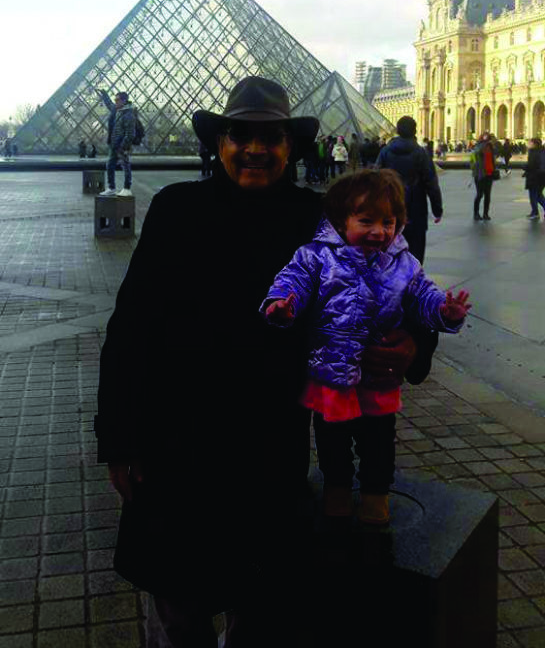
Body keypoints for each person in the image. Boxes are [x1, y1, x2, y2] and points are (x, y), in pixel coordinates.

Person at [95, 76, 437, 648]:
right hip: (176, 445)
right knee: (178, 613)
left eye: (271, 137)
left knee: (260, 610)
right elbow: (131, 328)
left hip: (268, 448)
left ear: (290, 146)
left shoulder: (317, 221)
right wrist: (119, 439)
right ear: (220, 143)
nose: (255, 148)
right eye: (240, 134)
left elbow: (393, 289)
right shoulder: (175, 209)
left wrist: (416, 345)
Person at [262, 169, 469, 527]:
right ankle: (337, 488)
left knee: (379, 443)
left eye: (388, 222)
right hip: (332, 374)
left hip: (376, 376)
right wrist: (282, 304)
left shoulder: (404, 263)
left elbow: (424, 297)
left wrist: (444, 313)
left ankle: (376, 493)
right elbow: (292, 280)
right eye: (366, 221)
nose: (379, 231)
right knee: (332, 441)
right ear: (342, 222)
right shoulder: (316, 256)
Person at [376, 116, 442, 264]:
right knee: (416, 252)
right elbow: (431, 183)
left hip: (390, 208)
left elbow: (376, 180)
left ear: (397, 130)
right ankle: (413, 281)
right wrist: (437, 209)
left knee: (389, 250)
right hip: (416, 208)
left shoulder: (385, 152)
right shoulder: (421, 153)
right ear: (415, 130)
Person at [97, 90, 137, 197]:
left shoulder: (129, 114)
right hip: (114, 143)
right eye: (115, 100)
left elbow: (130, 133)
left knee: (125, 166)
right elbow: (109, 104)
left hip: (121, 145)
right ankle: (111, 188)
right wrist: (104, 95)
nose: (115, 102)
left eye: (117, 100)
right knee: (110, 165)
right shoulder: (117, 109)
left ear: (124, 100)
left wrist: (123, 146)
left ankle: (127, 188)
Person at [470, 131, 497, 221]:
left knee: (487, 195)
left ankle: (485, 214)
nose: (488, 139)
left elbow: (493, 159)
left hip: (489, 174)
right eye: (486, 137)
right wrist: (484, 143)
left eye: (488, 137)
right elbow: (476, 153)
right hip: (480, 174)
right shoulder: (478, 146)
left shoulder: (491, 147)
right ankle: (476, 213)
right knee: (479, 194)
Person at [522, 138, 545, 219]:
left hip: (534, 177)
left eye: (530, 142)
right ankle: (534, 212)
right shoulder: (542, 151)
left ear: (534, 144)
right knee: (538, 195)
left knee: (533, 196)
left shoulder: (533, 152)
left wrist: (524, 167)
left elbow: (531, 165)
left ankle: (535, 212)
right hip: (541, 177)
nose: (528, 144)